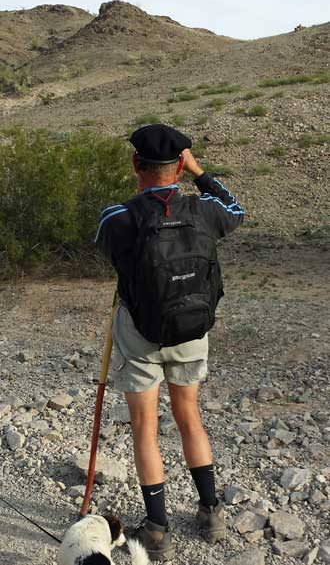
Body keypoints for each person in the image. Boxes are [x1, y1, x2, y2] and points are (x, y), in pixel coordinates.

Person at [95, 124, 244, 561]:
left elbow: (111, 251)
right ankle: (211, 511)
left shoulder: (116, 216)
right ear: (180, 164)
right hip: (192, 331)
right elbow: (236, 209)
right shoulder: (206, 212)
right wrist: (198, 172)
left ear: (134, 165)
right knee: (189, 416)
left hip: (139, 333)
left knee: (145, 428)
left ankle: (158, 528)